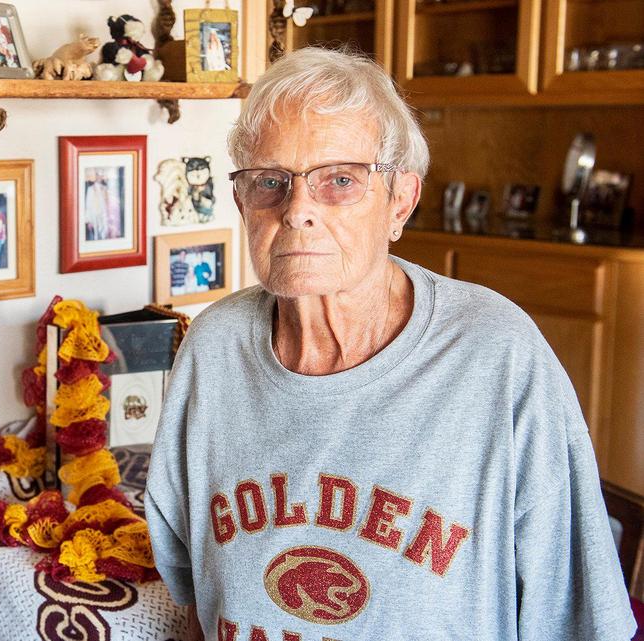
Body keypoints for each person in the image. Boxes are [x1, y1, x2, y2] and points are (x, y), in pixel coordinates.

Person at [145, 47, 636, 641]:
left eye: (340, 181)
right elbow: (198, 596)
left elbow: (577, 619)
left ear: (400, 200)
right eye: (270, 182)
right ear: (242, 200)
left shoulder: (496, 355)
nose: (298, 210)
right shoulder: (213, 349)